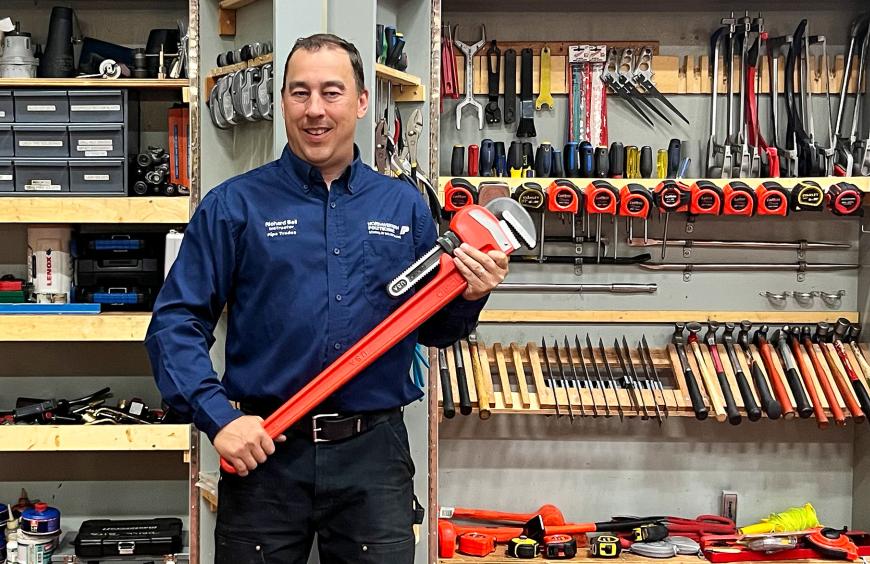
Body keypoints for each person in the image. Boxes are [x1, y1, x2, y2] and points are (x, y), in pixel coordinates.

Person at [145, 33, 508, 563]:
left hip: (373, 458)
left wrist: (468, 295)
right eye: (300, 93)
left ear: (362, 101)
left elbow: (432, 329)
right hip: (267, 451)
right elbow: (175, 322)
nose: (315, 110)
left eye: (332, 92)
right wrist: (218, 417)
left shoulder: (403, 204)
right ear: (283, 102)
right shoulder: (235, 205)